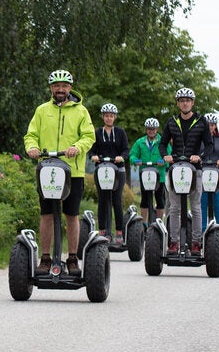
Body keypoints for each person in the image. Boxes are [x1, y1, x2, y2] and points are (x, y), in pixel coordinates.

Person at [24, 70, 96, 275]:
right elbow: (31, 134)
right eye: (56, 86)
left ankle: (72, 258)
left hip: (73, 171)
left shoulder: (81, 111)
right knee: (46, 214)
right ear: (51, 89)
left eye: (64, 86)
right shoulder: (41, 110)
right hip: (47, 170)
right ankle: (45, 259)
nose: (60, 89)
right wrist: (31, 148)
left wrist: (77, 147)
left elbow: (89, 136)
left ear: (70, 88)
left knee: (71, 215)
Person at [159, 87, 213, 255]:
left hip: (195, 169)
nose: (185, 103)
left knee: (196, 206)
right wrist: (166, 155)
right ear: (178, 103)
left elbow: (209, 145)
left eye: (188, 100)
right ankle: (173, 242)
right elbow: (162, 144)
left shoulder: (201, 121)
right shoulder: (172, 121)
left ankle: (196, 243)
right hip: (175, 168)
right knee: (174, 207)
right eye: (182, 100)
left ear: (192, 103)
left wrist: (200, 156)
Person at [89, 103, 129, 244]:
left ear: (115, 117)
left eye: (111, 116)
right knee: (103, 200)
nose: (109, 118)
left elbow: (126, 150)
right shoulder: (97, 133)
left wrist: (121, 157)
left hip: (118, 170)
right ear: (103, 117)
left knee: (116, 200)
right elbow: (91, 149)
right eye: (106, 116)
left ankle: (119, 232)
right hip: (102, 170)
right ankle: (103, 231)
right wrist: (93, 156)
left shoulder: (120, 132)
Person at [129, 117, 170, 221]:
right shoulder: (140, 142)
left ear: (157, 129)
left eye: (153, 129)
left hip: (159, 176)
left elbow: (169, 156)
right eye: (149, 129)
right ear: (146, 129)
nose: (151, 131)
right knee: (144, 200)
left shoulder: (162, 142)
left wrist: (164, 162)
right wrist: (135, 160)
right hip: (145, 175)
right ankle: (143, 224)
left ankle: (159, 222)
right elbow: (132, 155)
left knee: (160, 200)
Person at [200, 113, 219, 229]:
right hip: (203, 172)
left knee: (217, 201)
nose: (210, 127)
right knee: (203, 201)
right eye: (208, 125)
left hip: (216, 172)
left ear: (215, 126)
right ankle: (202, 230)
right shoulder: (200, 139)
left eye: (212, 125)